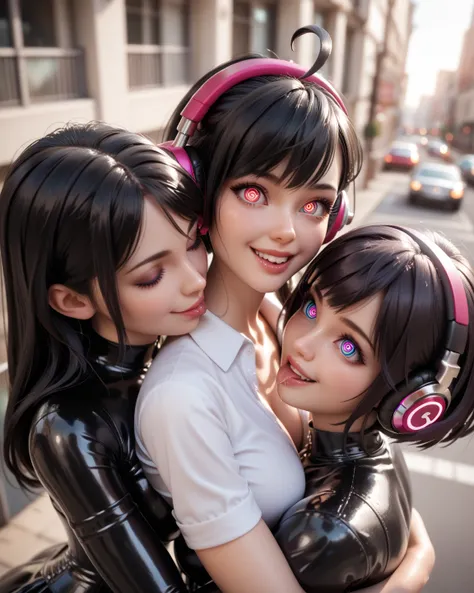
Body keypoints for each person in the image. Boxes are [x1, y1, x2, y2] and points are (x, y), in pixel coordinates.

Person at [135, 26, 434, 593]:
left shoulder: (288, 319)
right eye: (254, 192)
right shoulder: (185, 398)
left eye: (314, 204)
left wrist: (418, 547)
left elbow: (378, 481)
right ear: (200, 184)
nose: (286, 231)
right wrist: (414, 570)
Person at [0, 122, 210, 593]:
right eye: (153, 274)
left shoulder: (176, 347)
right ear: (72, 300)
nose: (196, 279)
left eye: (194, 241)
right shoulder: (67, 427)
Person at [274, 224, 474, 591]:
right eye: (312, 307)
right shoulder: (381, 455)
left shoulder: (322, 533)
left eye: (348, 346)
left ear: (410, 396)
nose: (302, 341)